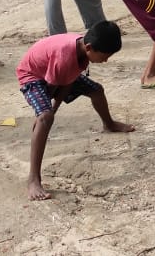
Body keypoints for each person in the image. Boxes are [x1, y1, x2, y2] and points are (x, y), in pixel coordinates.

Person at [19, 21, 133, 201]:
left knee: (96, 90)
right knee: (45, 118)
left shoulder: (81, 48)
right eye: (104, 56)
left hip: (57, 73)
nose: (105, 61)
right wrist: (46, 112)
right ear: (89, 48)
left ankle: (109, 124)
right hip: (32, 76)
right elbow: (54, 89)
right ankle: (33, 178)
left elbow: (67, 81)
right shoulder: (65, 58)